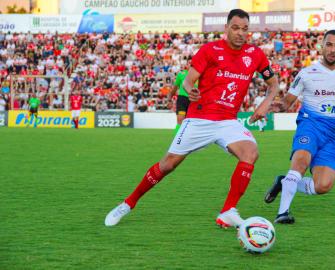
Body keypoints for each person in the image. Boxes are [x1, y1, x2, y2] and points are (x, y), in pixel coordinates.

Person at [105, 9, 279, 228]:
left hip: (228, 121)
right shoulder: (209, 50)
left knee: (251, 152)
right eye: (235, 28)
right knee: (167, 165)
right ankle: (127, 204)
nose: (240, 33)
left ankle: (228, 211)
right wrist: (191, 90)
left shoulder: (255, 54)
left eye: (245, 29)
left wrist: (265, 103)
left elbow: (274, 84)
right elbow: (188, 81)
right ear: (226, 28)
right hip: (200, 118)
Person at [260, 30, 335, 224]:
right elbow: (288, 100)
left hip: (330, 135)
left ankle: (284, 181)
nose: (332, 50)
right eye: (329, 44)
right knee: (300, 162)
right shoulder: (307, 73)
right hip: (309, 125)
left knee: (323, 186)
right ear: (322, 46)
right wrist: (279, 105)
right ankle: (282, 212)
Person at [170, 63, 191, 134]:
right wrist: (169, 98)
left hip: (194, 100)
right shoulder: (181, 74)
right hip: (182, 99)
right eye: (189, 63)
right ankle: (177, 138)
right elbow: (175, 87)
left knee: (191, 121)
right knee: (180, 119)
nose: (190, 64)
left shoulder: (199, 75)